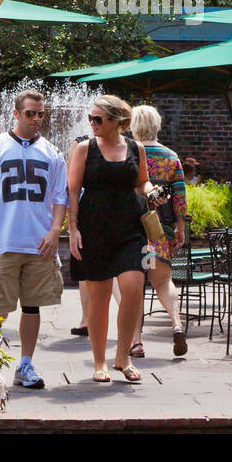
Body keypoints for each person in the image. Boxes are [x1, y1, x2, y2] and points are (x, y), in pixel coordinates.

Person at [0, 90, 68, 390]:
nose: (37, 119)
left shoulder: (52, 153)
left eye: (41, 113)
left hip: (38, 243)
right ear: (15, 114)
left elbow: (59, 197)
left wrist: (56, 230)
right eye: (30, 113)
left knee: (32, 307)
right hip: (3, 240)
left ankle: (25, 364)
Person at [67, 95, 155, 383]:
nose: (92, 123)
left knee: (133, 287)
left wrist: (152, 190)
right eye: (91, 118)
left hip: (130, 226)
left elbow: (141, 181)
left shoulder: (135, 147)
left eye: (98, 119)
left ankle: (123, 356)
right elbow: (72, 191)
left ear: (117, 121)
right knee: (99, 296)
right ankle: (99, 361)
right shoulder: (84, 149)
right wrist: (73, 229)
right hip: (94, 226)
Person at [128, 104, 189, 359]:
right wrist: (181, 225)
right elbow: (179, 193)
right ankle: (176, 323)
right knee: (164, 281)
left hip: (131, 227)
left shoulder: (127, 151)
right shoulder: (170, 155)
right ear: (157, 125)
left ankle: (136, 342)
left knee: (134, 286)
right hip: (160, 227)